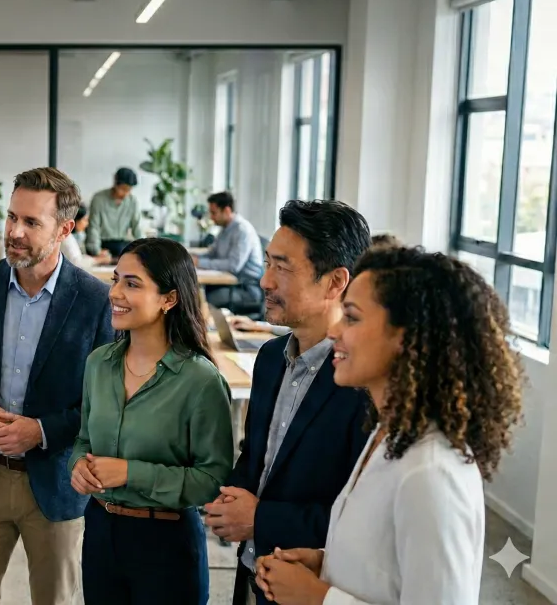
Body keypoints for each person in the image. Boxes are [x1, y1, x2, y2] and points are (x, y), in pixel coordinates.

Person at [254, 247, 525, 605]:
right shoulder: (388, 434)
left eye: (350, 317)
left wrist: (318, 597)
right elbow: (389, 565)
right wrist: (325, 561)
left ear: (407, 337)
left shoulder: (431, 474)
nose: (334, 330)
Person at [0, 167, 114, 605]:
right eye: (12, 217)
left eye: (32, 222)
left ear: (65, 230)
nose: (15, 231)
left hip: (55, 483)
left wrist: (40, 431)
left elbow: (106, 405)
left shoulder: (96, 301)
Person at [202, 199, 373, 605]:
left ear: (334, 282)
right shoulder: (269, 359)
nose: (264, 281)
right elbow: (255, 458)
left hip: (313, 583)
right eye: (266, 263)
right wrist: (231, 501)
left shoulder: (364, 387)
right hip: (254, 571)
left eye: (282, 268)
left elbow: (362, 520)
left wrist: (259, 518)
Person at [71, 237, 234, 605]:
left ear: (169, 299)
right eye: (115, 280)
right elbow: (83, 439)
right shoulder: (99, 363)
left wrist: (131, 473)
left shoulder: (201, 380)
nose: (115, 293)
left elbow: (213, 481)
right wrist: (78, 464)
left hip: (166, 543)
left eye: (132, 284)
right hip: (100, 531)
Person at [194, 192, 264, 313]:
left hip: (245, 289)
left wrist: (199, 262)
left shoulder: (242, 230)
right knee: (192, 294)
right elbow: (212, 253)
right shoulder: (224, 229)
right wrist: (192, 259)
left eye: (214, 213)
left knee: (202, 301)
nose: (211, 217)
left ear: (226, 210)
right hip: (228, 285)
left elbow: (233, 266)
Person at [85, 167, 141, 260]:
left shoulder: (132, 201)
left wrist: (144, 249)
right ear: (115, 183)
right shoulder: (99, 199)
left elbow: (137, 227)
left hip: (121, 244)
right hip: (101, 243)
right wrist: (97, 251)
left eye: (129, 190)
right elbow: (93, 227)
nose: (126, 193)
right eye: (123, 189)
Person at [59, 204, 104, 269]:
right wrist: (99, 260)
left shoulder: (75, 237)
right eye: (85, 220)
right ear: (75, 221)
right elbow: (76, 262)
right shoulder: (67, 239)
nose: (87, 224)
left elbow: (79, 257)